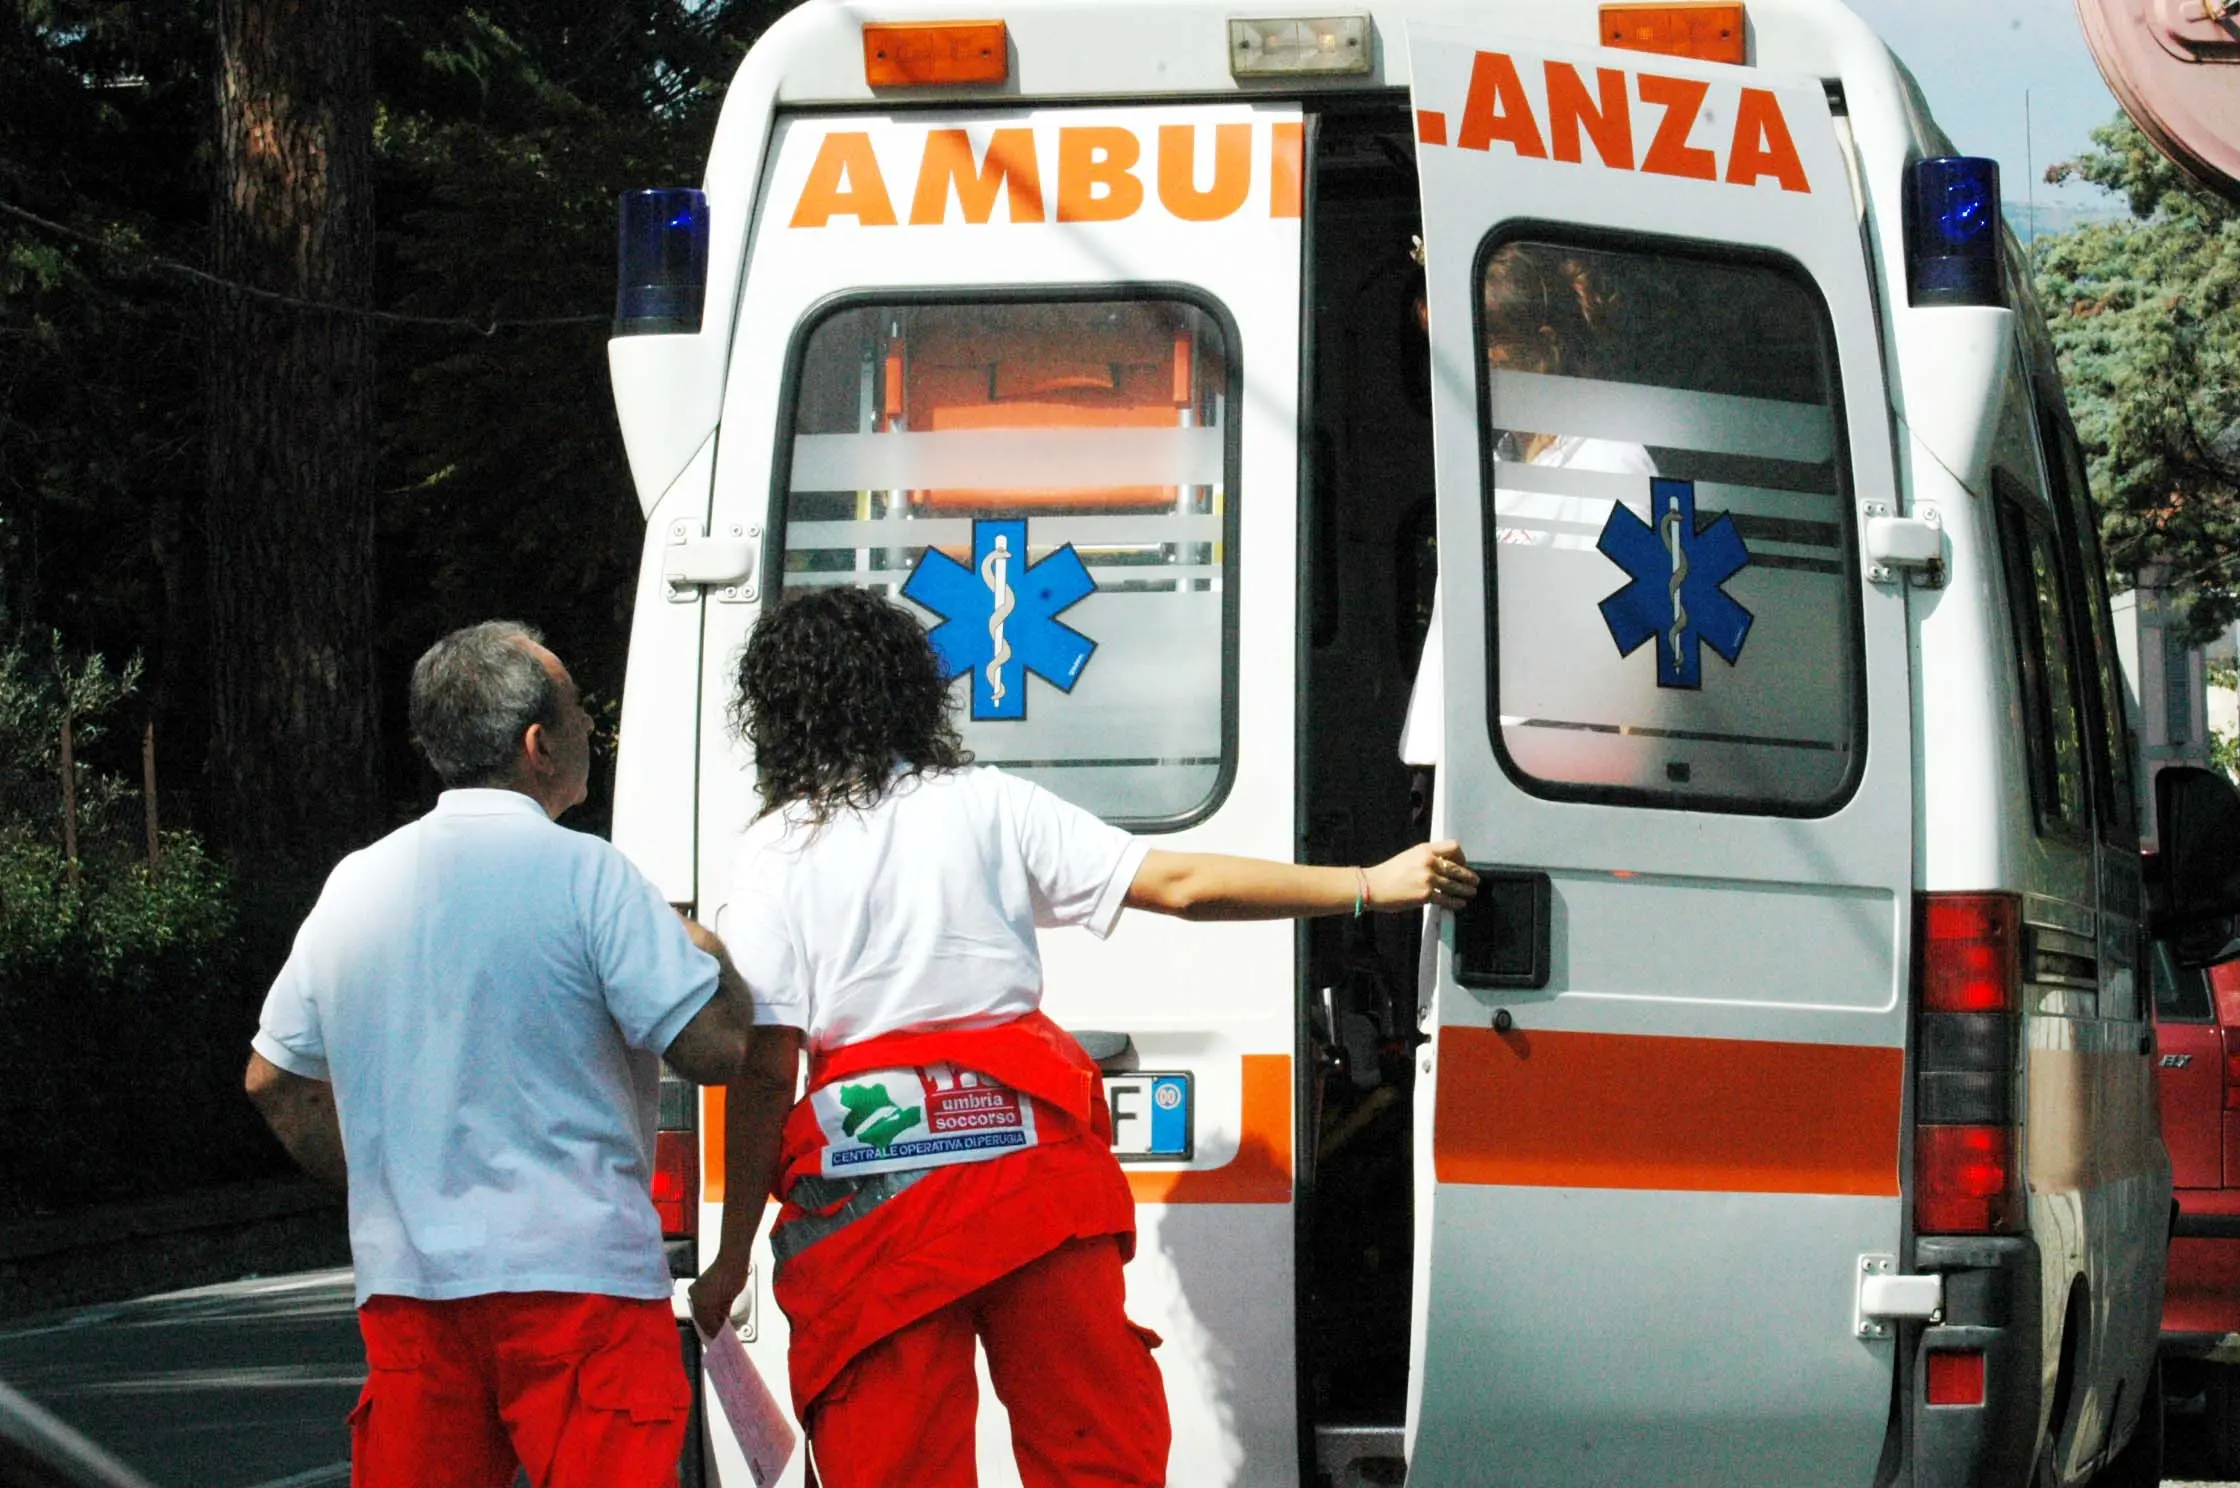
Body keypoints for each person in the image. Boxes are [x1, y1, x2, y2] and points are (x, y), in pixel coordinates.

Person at [687, 585, 1478, 1488]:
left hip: (873, 1201)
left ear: (780, 714)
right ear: (907, 689)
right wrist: (1369, 881)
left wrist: (733, 1253)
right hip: (1033, 1179)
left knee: (892, 1458)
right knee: (1093, 1447)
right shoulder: (984, 803)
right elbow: (1180, 882)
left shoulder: (776, 850)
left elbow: (764, 1068)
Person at [243, 620, 761, 1488]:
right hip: (582, 1288)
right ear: (538, 744)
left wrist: (385, 1177)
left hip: (413, 1289)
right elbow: (714, 1051)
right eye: (581, 719)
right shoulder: (591, 876)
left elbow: (275, 1081)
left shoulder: (357, 883)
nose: (591, 734)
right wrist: (705, 951)